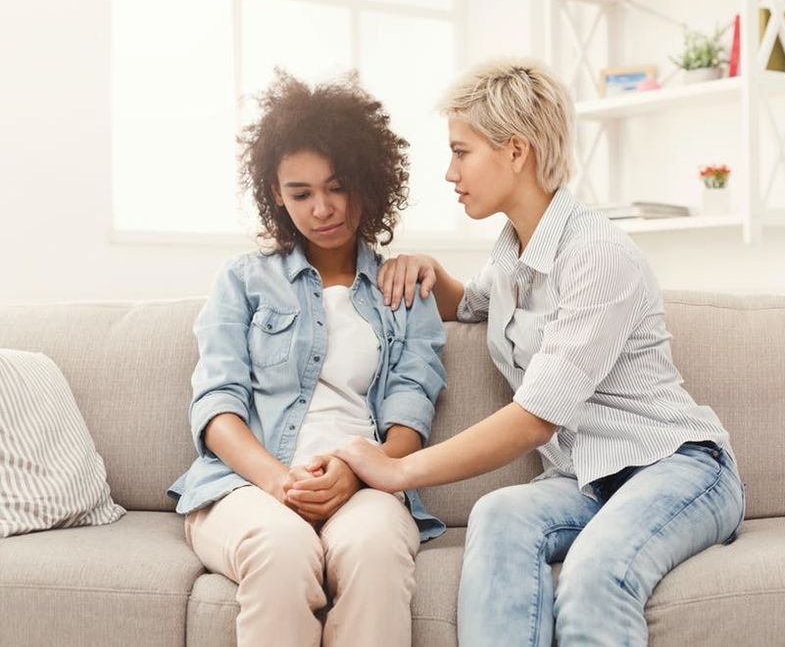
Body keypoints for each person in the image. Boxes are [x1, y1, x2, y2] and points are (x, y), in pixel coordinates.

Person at [321, 59, 746, 646]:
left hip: (676, 469)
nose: (450, 172)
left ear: (515, 151)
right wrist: (427, 270)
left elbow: (534, 421)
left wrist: (397, 470)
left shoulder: (596, 254)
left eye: (461, 151)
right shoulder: (512, 252)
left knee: (595, 572)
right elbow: (467, 304)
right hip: (588, 480)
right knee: (497, 514)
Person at [167, 71, 447, 647]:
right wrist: (277, 482)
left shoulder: (403, 289)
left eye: (337, 186)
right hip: (247, 486)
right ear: (276, 193)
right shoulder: (242, 282)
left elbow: (409, 419)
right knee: (282, 549)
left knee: (374, 552)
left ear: (368, 182)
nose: (322, 208)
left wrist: (357, 472)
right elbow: (218, 407)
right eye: (300, 193)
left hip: (366, 486)